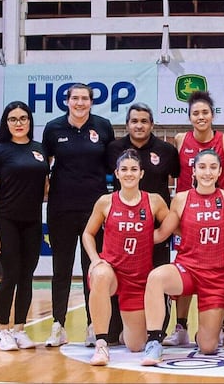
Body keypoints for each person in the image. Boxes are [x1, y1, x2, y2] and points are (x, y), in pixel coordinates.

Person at [139, 149, 224, 365]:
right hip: (188, 268)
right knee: (156, 277)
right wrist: (126, 235)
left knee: (207, 346)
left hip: (217, 274)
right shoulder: (181, 199)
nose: (207, 172)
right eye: (202, 167)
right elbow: (162, 233)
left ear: (220, 171)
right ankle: (154, 340)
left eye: (213, 167)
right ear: (193, 171)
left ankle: (208, 330)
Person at [82, 149, 175, 366]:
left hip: (138, 278)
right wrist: (95, 260)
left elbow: (170, 227)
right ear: (116, 173)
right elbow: (88, 233)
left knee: (135, 345)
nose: (129, 173)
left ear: (142, 173)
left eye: (134, 169)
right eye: (124, 169)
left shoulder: (154, 201)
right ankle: (101, 344)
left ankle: (126, 331)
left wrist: (154, 236)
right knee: (101, 275)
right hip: (112, 271)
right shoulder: (106, 201)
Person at [42, 83, 115, 347]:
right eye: (75, 98)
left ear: (91, 102)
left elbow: (113, 165)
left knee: (92, 268)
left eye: (85, 98)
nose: (80, 102)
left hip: (93, 209)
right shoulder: (53, 128)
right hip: (61, 207)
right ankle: (58, 326)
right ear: (67, 101)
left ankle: (92, 325)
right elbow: (42, 166)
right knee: (60, 269)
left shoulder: (103, 126)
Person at [166, 91, 224, 347]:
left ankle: (222, 325)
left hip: (216, 213)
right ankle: (181, 326)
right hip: (189, 215)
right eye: (195, 113)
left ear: (213, 115)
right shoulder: (180, 139)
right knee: (185, 268)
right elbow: (176, 174)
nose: (200, 117)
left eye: (205, 112)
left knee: (216, 274)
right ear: (189, 117)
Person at [106, 103, 180, 342]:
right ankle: (115, 328)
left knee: (157, 279)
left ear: (152, 124)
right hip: (123, 231)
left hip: (154, 231)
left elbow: (178, 179)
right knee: (120, 281)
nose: (139, 125)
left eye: (144, 121)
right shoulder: (113, 149)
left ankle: (157, 331)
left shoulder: (167, 150)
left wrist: (161, 231)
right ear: (127, 124)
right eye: (134, 121)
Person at [0, 101, 50, 351]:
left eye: (23, 118)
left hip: (32, 221)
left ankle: (20, 329)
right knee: (10, 274)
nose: (19, 123)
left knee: (26, 276)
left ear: (30, 121)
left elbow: (45, 185)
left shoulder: (39, 149)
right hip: (6, 220)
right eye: (13, 119)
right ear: (6, 123)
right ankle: (2, 330)